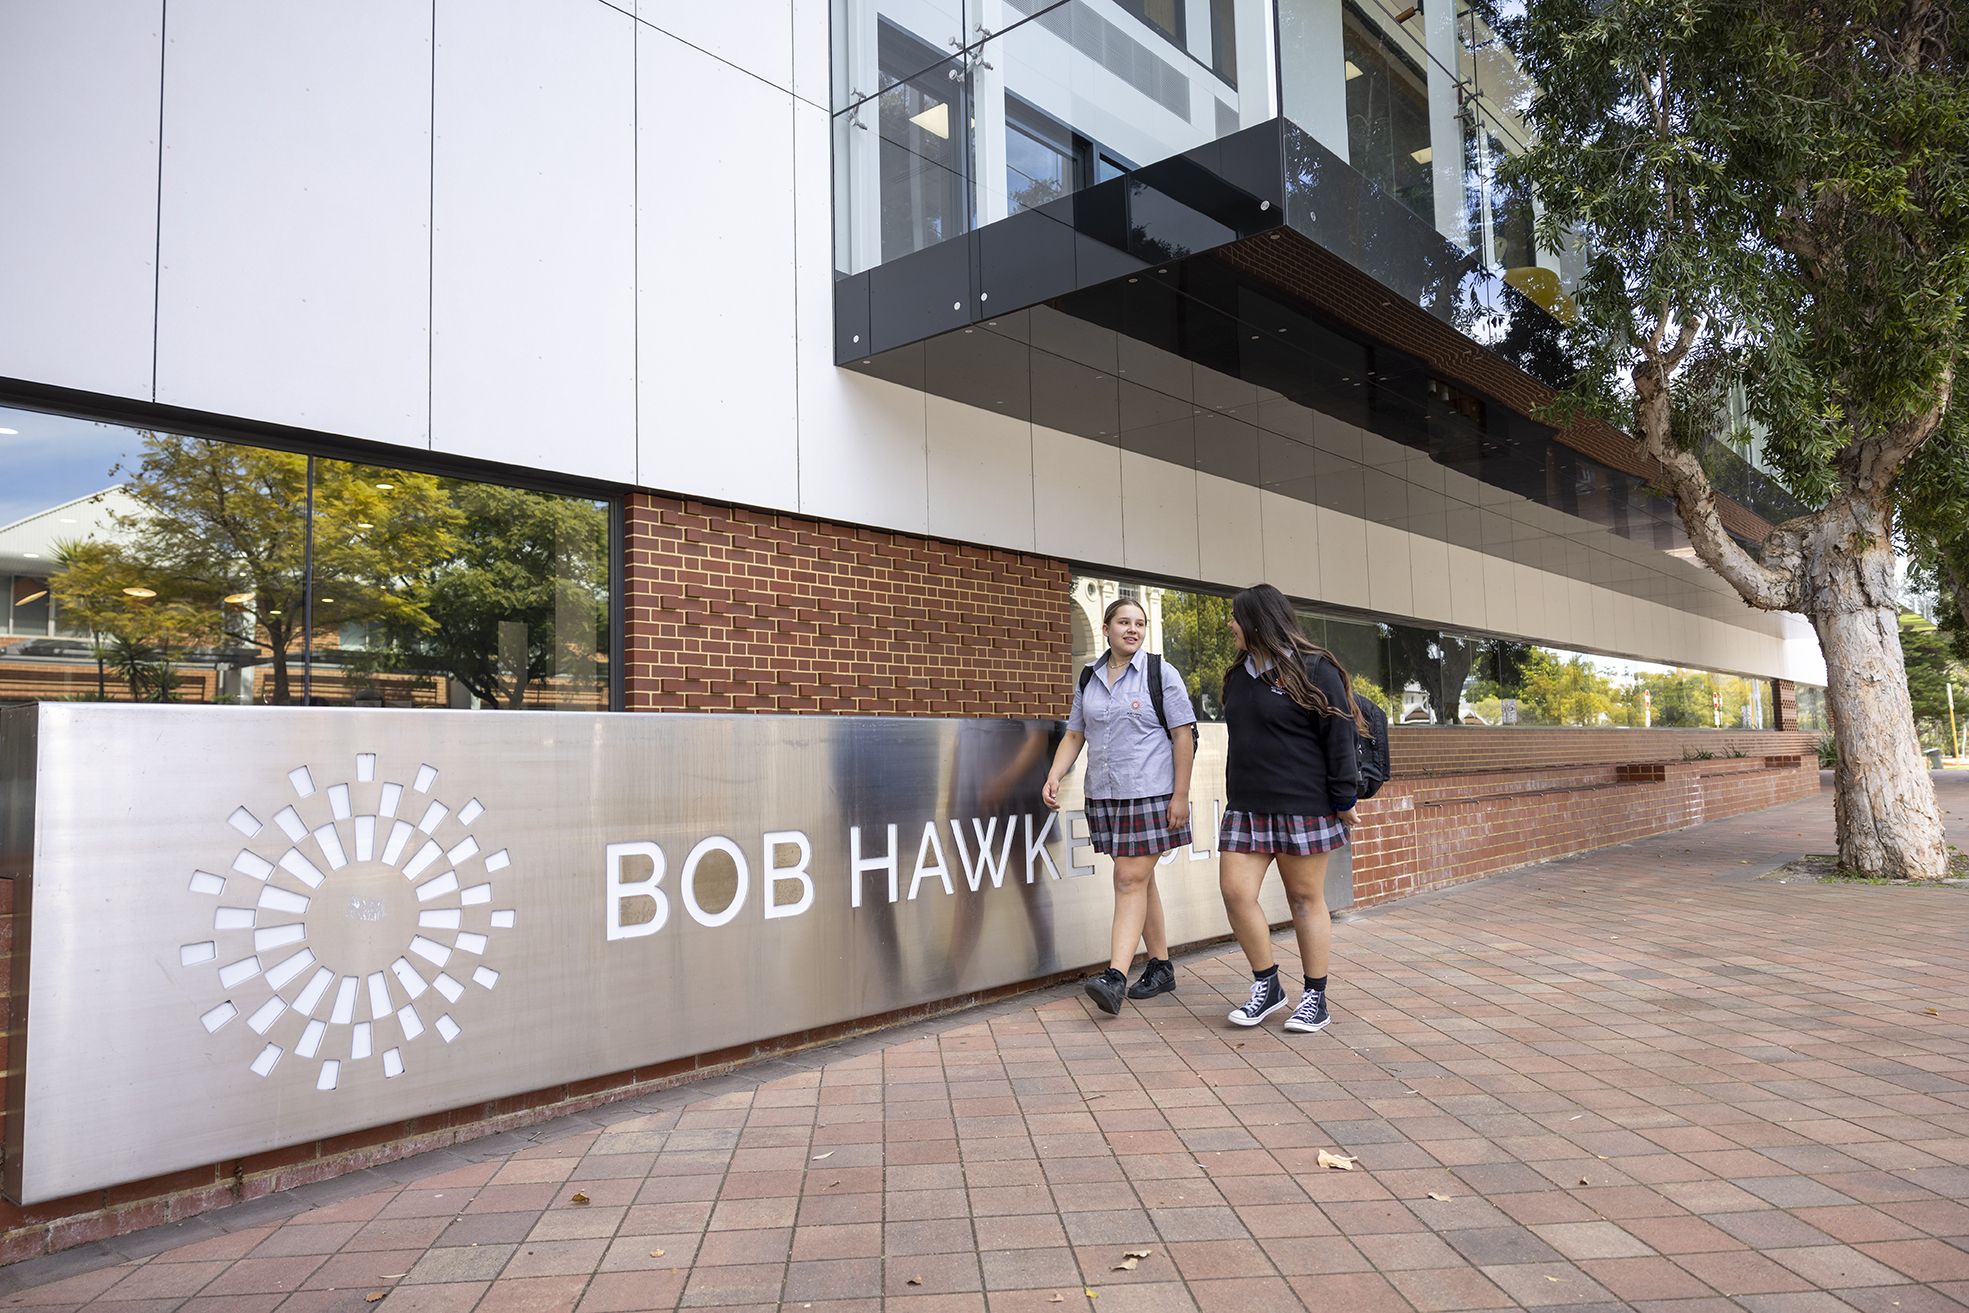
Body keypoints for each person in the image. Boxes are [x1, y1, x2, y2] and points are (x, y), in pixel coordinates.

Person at [1216, 584, 1364, 1034]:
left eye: (1236, 617)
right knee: (1236, 893)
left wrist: (1344, 798)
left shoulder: (1315, 669)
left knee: (1303, 899)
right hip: (1248, 807)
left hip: (1303, 806)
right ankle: (1268, 986)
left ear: (1257, 621)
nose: (1230, 625)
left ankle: (1315, 998)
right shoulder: (1238, 674)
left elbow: (1339, 738)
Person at [1042, 597, 1198, 1016]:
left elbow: (1183, 736)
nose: (1133, 629)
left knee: (1128, 878)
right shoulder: (1089, 677)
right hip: (1105, 795)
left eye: (1140, 623)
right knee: (1140, 880)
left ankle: (1115, 976)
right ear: (1106, 628)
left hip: (1150, 794)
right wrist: (1055, 774)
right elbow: (1075, 734)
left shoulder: (1160, 673)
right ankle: (1161, 966)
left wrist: (1180, 795)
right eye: (1124, 622)